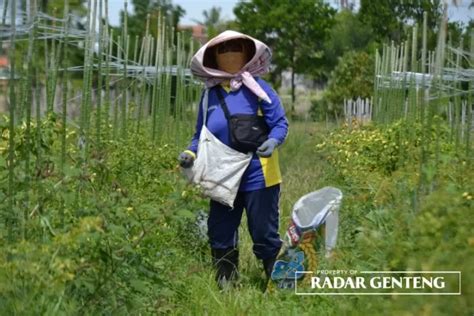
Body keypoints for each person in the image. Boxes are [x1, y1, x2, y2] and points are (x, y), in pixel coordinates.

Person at [178, 30, 289, 288]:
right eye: (223, 50)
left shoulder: (259, 88)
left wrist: (273, 141)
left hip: (259, 173)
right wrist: (190, 153)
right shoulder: (209, 95)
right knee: (220, 230)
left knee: (263, 231)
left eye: (235, 49)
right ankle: (227, 284)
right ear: (213, 58)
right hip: (221, 175)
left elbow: (280, 124)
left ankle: (280, 282)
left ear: (247, 54)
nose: (229, 55)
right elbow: (199, 134)